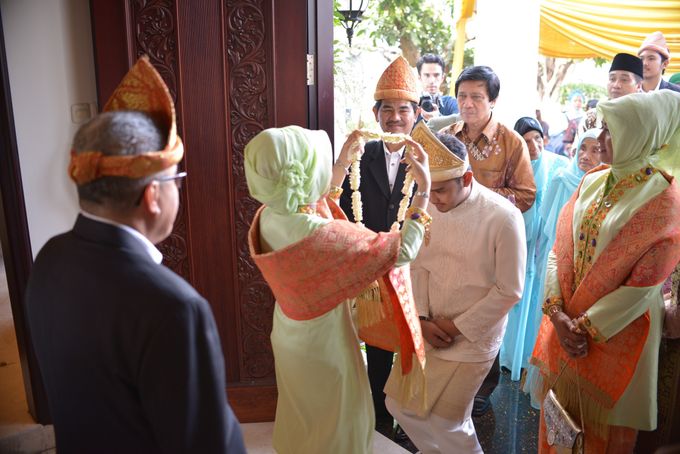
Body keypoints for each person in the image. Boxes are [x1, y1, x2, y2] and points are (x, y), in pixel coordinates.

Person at [24, 57, 246, 453]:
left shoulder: (49, 258)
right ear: (152, 196)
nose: (179, 189)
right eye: (176, 180)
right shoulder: (174, 307)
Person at [246, 125, 432, 454]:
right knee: (339, 419)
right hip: (323, 339)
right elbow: (399, 251)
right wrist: (423, 196)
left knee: (304, 413)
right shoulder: (319, 234)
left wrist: (343, 165)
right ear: (303, 174)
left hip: (289, 328)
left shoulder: (270, 213)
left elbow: (311, 209)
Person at [530, 90, 680, 453]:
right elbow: (559, 248)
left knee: (605, 436)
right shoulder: (594, 179)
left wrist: (582, 328)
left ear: (640, 133)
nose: (599, 141)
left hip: (618, 333)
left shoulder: (663, 197)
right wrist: (557, 314)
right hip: (567, 324)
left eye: (611, 131)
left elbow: (643, 285)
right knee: (558, 426)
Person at [385, 122, 526, 453]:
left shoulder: (503, 217)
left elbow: (510, 290)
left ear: (466, 179)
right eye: (428, 189)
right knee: (398, 406)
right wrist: (420, 319)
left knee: (447, 421)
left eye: (441, 190)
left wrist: (452, 327)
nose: (433, 199)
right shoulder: (426, 204)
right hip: (427, 325)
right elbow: (414, 263)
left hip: (472, 336)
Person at [441, 64, 536, 415]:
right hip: (452, 232)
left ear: (492, 100)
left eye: (476, 97)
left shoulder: (511, 143)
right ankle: (451, 366)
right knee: (454, 295)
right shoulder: (448, 135)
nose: (467, 104)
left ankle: (484, 383)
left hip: (492, 236)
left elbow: (526, 194)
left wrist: (484, 199)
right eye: (462, 96)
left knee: (487, 304)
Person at [338, 55, 422, 437]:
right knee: (376, 349)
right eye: (387, 109)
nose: (394, 118)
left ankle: (410, 420)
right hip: (370, 273)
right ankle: (378, 421)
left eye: (403, 109)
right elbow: (340, 207)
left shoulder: (428, 159)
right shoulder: (361, 154)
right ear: (375, 113)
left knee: (414, 349)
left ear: (416, 113)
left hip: (415, 269)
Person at [500, 117, 568, 382]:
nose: (534, 145)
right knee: (516, 302)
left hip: (544, 247)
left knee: (537, 301)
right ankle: (509, 357)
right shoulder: (512, 168)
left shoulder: (557, 165)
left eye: (537, 139)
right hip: (519, 244)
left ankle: (530, 357)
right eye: (526, 141)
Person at [416, 53, 459, 121]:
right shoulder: (411, 106)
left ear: (442, 78)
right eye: (427, 75)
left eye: (436, 75)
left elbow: (462, 125)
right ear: (419, 78)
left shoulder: (451, 103)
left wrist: (438, 118)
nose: (432, 81)